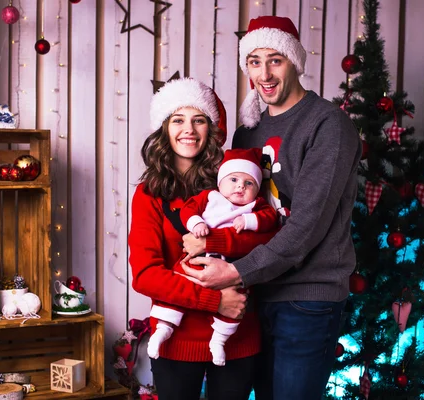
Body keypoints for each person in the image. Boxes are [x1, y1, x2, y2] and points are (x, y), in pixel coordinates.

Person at [181, 16, 362, 400]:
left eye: (275, 60)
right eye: (254, 61)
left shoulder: (328, 125)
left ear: (296, 61)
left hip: (306, 298)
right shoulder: (249, 131)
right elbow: (228, 206)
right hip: (257, 294)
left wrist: (234, 272)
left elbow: (308, 227)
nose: (264, 73)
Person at [128, 77, 276, 400]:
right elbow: (145, 274)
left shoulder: (236, 181)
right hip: (176, 340)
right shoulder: (149, 194)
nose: (189, 130)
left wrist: (217, 244)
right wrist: (214, 300)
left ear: (211, 128)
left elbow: (267, 240)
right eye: (178, 120)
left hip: (236, 334)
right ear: (164, 128)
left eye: (199, 120)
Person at [147, 147, 278, 366]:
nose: (240, 187)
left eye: (249, 183)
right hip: (198, 261)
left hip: (232, 266)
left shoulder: (254, 206)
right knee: (181, 277)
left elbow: (270, 220)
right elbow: (188, 210)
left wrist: (249, 222)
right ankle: (163, 329)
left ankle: (219, 340)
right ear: (220, 182)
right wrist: (196, 223)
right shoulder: (210, 197)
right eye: (234, 179)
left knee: (237, 298)